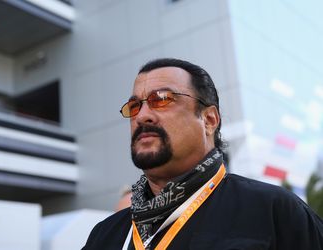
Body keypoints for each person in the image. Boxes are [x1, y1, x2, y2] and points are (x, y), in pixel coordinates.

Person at [82, 58, 323, 250]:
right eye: (135, 106)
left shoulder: (274, 212)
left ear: (209, 119)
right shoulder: (105, 235)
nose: (142, 115)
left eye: (162, 99)